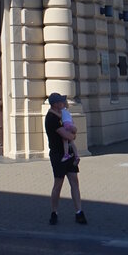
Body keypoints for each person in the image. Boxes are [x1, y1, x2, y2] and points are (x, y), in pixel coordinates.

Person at [45, 92, 86, 226]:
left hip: (69, 153)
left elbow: (71, 130)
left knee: (74, 181)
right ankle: (53, 212)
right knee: (58, 184)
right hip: (58, 155)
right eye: (61, 102)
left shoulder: (62, 114)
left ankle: (79, 212)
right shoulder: (51, 118)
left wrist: (72, 133)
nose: (64, 103)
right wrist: (73, 135)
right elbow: (68, 136)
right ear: (56, 104)